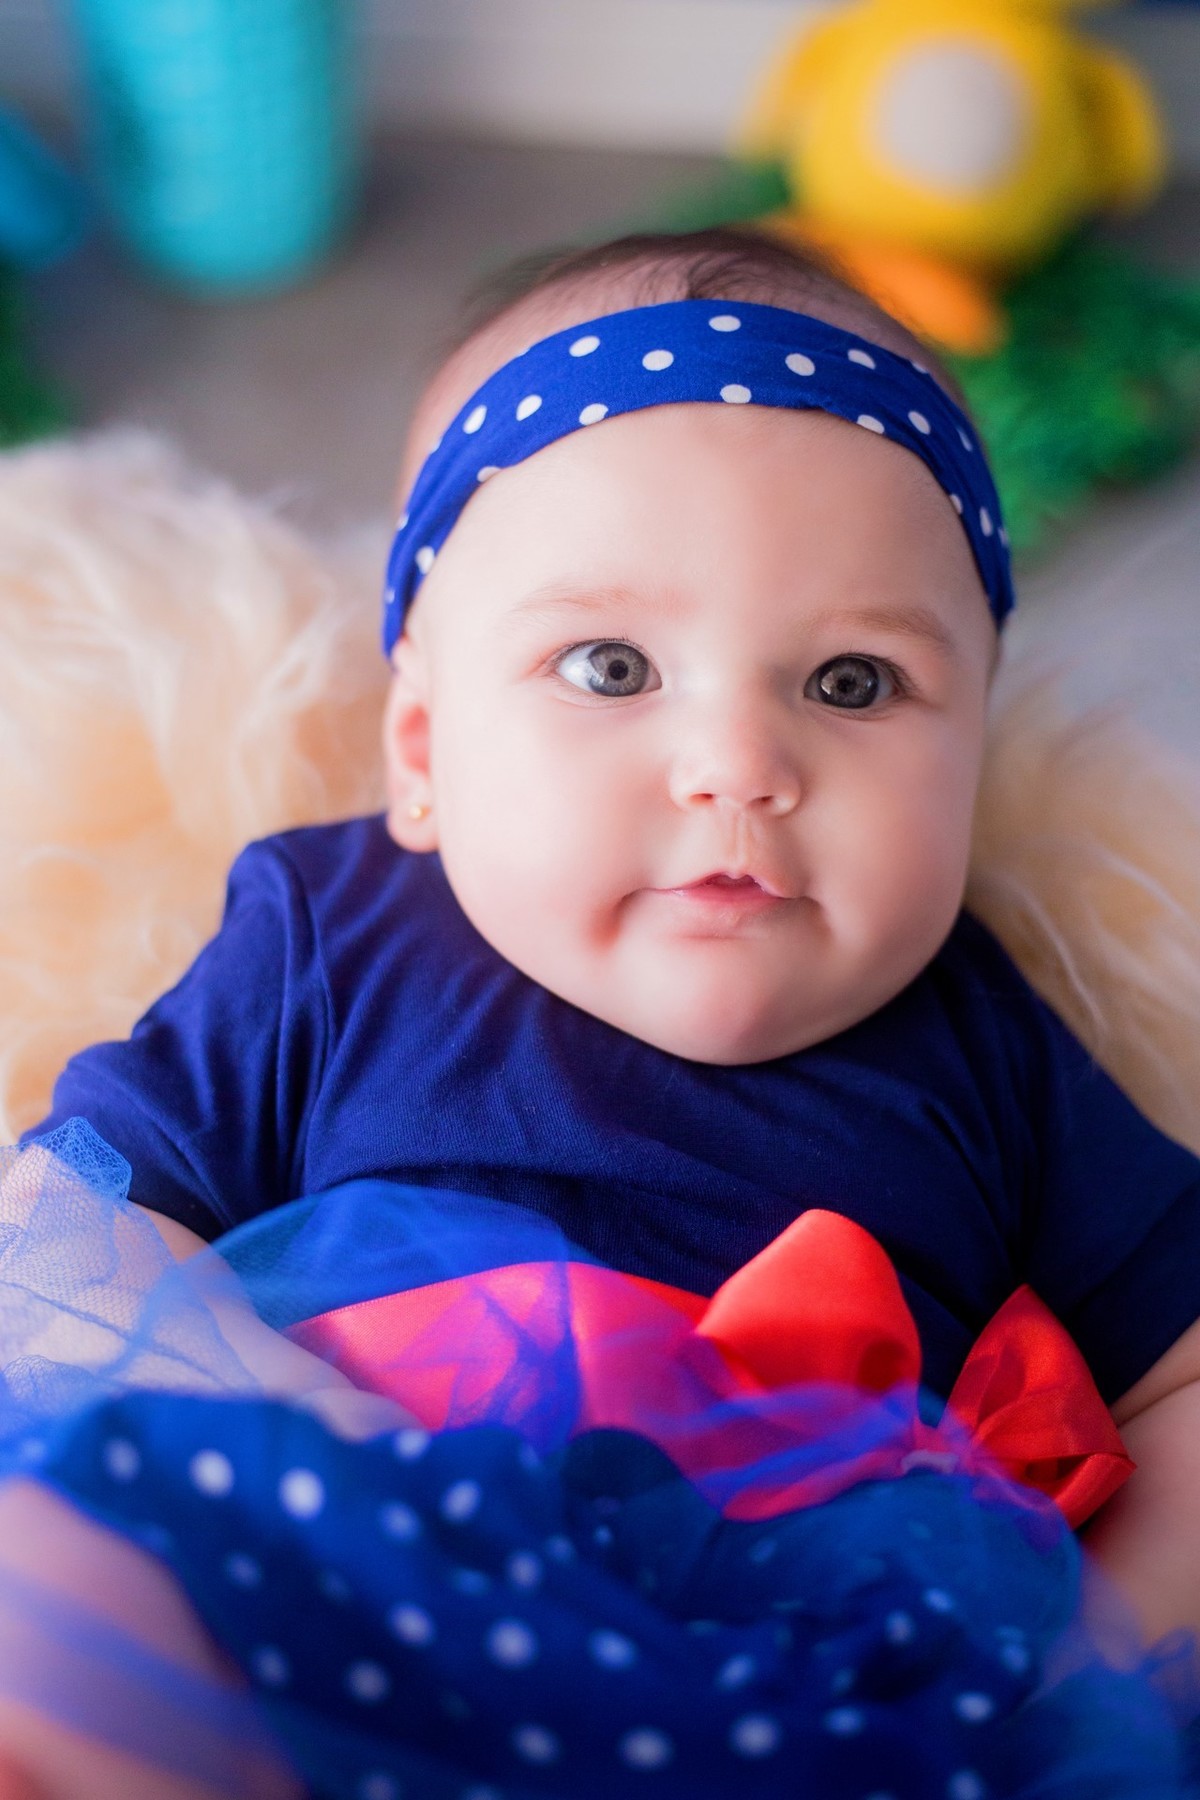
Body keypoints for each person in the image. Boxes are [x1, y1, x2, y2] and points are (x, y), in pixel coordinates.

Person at [0, 227, 1198, 1799]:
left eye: (851, 684)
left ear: (974, 744)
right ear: (422, 749)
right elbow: (71, 1213)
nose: (737, 764)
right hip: (337, 1570)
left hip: (802, 1692)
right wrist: (294, 1429)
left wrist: (1089, 1657)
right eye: (612, 663)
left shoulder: (985, 1035)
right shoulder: (331, 928)